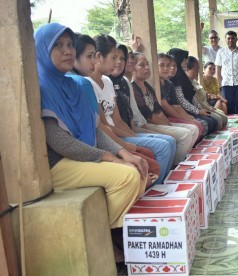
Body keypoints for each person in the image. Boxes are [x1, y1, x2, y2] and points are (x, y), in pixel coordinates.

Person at [35, 23, 146, 263]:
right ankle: (100, 238)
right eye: (58, 45)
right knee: (126, 176)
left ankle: (108, 236)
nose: (67, 51)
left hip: (81, 156)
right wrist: (108, 157)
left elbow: (95, 130)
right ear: (42, 49)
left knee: (137, 165)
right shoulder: (42, 86)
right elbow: (60, 141)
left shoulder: (72, 85)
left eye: (69, 45)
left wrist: (121, 152)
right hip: (59, 163)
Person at [85, 34, 175, 183]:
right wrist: (128, 144)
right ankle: (154, 190)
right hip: (110, 139)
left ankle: (160, 186)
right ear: (99, 57)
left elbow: (118, 120)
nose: (118, 62)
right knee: (162, 146)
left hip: (120, 133)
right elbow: (104, 127)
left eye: (120, 58)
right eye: (114, 58)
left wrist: (133, 137)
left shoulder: (107, 81)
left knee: (169, 141)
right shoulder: (87, 84)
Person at [110, 45, 195, 166]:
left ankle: (175, 168)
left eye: (147, 64)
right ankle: (174, 168)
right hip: (135, 127)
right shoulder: (128, 85)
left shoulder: (133, 84)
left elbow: (158, 110)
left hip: (137, 126)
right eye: (141, 65)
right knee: (175, 138)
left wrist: (170, 126)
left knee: (190, 129)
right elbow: (149, 115)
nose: (147, 68)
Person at [168, 48, 218, 135]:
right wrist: (198, 111)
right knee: (206, 123)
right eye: (184, 60)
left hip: (190, 110)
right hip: (183, 112)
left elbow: (192, 96)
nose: (186, 63)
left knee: (213, 120)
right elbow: (181, 101)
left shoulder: (183, 77)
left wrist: (200, 109)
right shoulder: (174, 79)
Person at [215, 30, 238, 114]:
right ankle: (231, 127)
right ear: (225, 39)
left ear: (236, 39)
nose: (230, 40)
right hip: (226, 84)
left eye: (233, 38)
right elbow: (218, 68)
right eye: (228, 38)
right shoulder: (221, 52)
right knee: (228, 107)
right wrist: (219, 83)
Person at [185, 56, 228, 129]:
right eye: (196, 69)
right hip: (202, 107)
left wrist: (220, 99)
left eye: (214, 69)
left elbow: (216, 92)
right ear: (187, 70)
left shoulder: (195, 81)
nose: (198, 71)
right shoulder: (188, 83)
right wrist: (206, 109)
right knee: (219, 118)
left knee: (223, 115)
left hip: (207, 104)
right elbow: (196, 101)